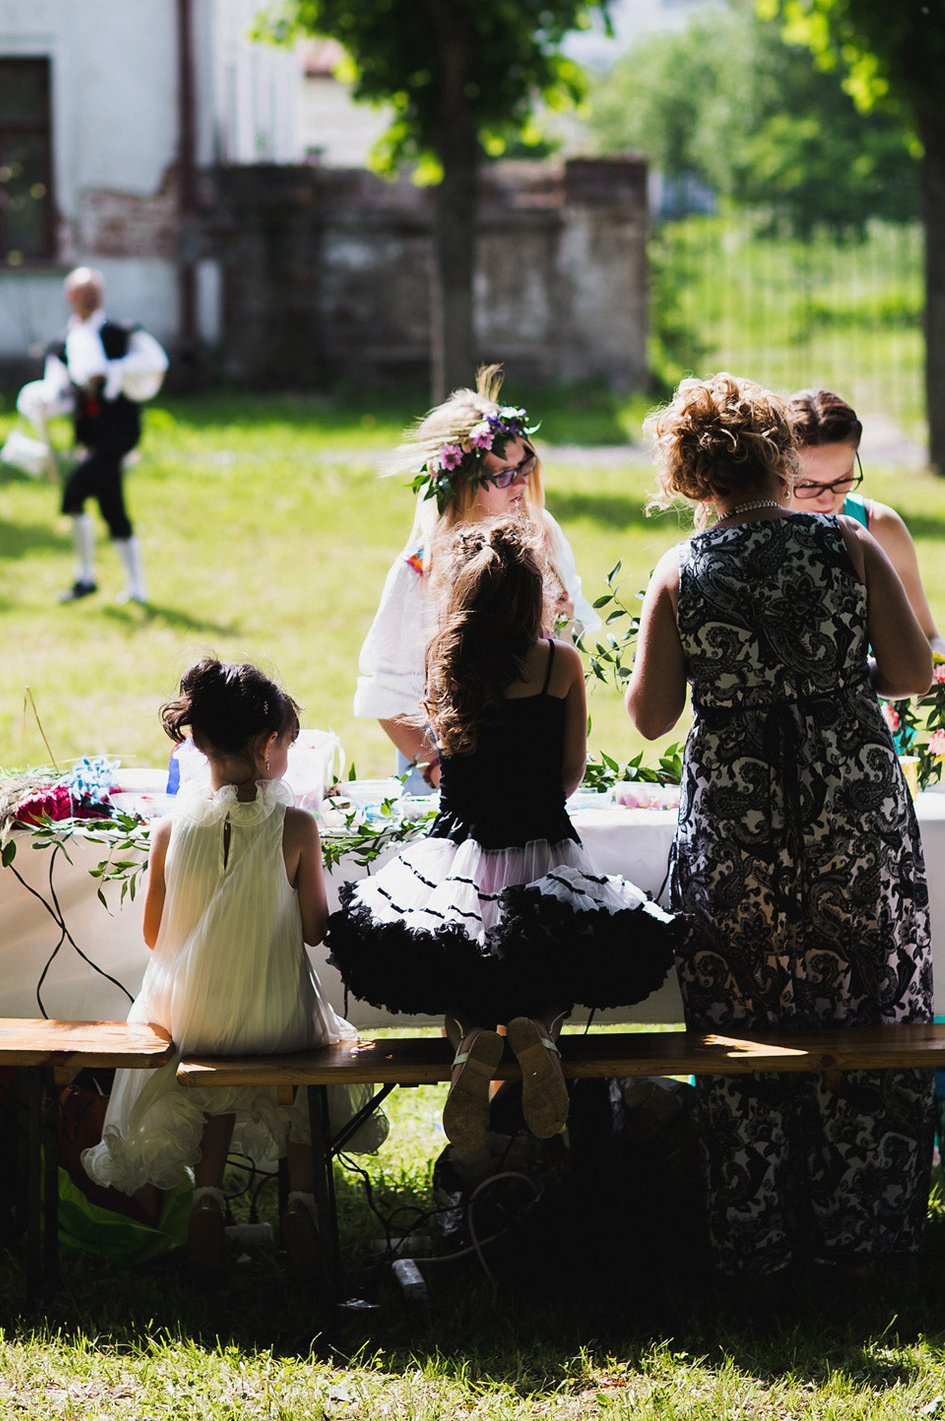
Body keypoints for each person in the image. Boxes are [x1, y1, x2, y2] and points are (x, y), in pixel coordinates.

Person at [622, 374, 938, 1278]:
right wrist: (830, 683)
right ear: (778, 457)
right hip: (853, 810)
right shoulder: (846, 543)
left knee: (742, 1023)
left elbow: (650, 716)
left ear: (690, 477)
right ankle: (869, 1237)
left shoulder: (683, 571)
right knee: (871, 1012)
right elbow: (914, 671)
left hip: (739, 825)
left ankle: (758, 1240)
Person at [329, 520, 679, 1154]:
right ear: (534, 594)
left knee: (459, 970)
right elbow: (569, 776)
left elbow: (443, 761)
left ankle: (466, 1044)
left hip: (460, 851)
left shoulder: (446, 659)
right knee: (551, 969)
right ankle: (541, 1034)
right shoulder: (560, 664)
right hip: (544, 844)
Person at [81, 660, 386, 1275]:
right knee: (306, 1060)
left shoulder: (169, 828)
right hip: (276, 1022)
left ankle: (207, 1202)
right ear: (269, 745)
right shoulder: (296, 825)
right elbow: (312, 929)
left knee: (217, 1084)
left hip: (192, 1021)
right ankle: (301, 1204)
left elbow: (152, 935)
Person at [353, 367, 601, 787]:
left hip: (533, 752)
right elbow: (388, 694)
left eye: (526, 465)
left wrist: (560, 622)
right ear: (463, 484)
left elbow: (562, 649)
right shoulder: (420, 570)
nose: (520, 482)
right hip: (451, 769)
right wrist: (436, 769)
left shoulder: (545, 534)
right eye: (503, 474)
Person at [16, 267, 166, 605]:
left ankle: (88, 577)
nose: (89, 299)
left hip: (121, 431)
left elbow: (156, 362)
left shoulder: (120, 333)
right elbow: (58, 392)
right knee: (112, 507)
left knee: (75, 492)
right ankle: (123, 585)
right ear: (70, 297)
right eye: (83, 292)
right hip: (90, 435)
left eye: (94, 292)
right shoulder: (61, 344)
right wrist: (41, 399)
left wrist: (115, 370)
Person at [779, 388, 945, 654]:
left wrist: (937, 671)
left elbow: (928, 639)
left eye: (842, 480)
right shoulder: (758, 534)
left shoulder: (880, 526)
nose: (828, 499)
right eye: (809, 485)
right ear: (779, 469)